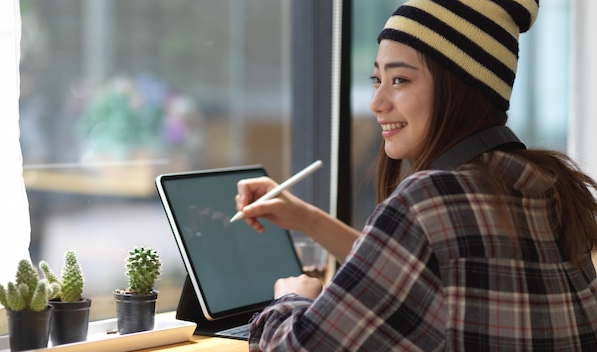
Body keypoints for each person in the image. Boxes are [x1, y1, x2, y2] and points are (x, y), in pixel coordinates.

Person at [235, 0, 597, 350]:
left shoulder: (430, 198)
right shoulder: (543, 182)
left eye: (400, 80)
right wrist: (305, 217)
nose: (376, 102)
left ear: (461, 87)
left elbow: (296, 348)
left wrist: (291, 299)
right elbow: (420, 270)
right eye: (377, 79)